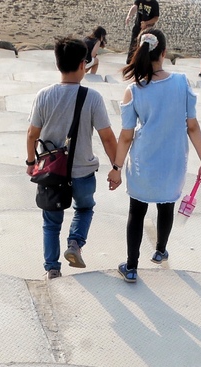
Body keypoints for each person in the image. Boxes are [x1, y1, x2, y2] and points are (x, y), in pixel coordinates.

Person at [108, 30, 201, 283]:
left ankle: (131, 267)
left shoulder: (133, 90)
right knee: (167, 207)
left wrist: (117, 168)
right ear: (163, 53)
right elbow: (192, 126)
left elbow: (126, 136)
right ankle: (160, 250)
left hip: (144, 161)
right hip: (173, 161)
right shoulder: (181, 82)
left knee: (137, 213)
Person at [26, 36, 118, 280]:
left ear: (58, 65)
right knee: (85, 208)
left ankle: (52, 269)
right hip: (83, 172)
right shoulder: (93, 98)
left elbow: (32, 134)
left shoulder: (44, 95)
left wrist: (30, 162)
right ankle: (75, 243)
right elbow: (108, 137)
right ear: (82, 65)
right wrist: (116, 167)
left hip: (51, 173)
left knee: (50, 221)